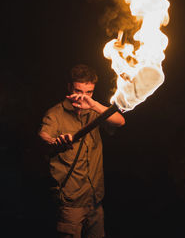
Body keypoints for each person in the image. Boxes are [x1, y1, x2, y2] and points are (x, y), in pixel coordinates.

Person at [38, 64, 125, 238]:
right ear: (69, 86)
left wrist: (94, 105)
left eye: (89, 92)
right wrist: (55, 141)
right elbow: (43, 138)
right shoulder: (55, 114)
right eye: (78, 90)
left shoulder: (93, 112)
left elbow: (120, 121)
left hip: (95, 199)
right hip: (71, 203)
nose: (82, 97)